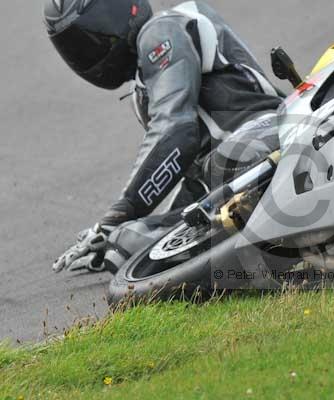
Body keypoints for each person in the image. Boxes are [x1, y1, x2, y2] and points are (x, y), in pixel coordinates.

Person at [45, 0, 283, 273]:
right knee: (124, 245)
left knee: (224, 164)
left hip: (266, 141)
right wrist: (109, 235)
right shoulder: (143, 83)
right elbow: (195, 174)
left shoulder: (161, 30)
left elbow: (176, 133)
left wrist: (116, 215)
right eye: (77, 45)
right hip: (233, 175)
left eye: (94, 36)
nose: (89, 51)